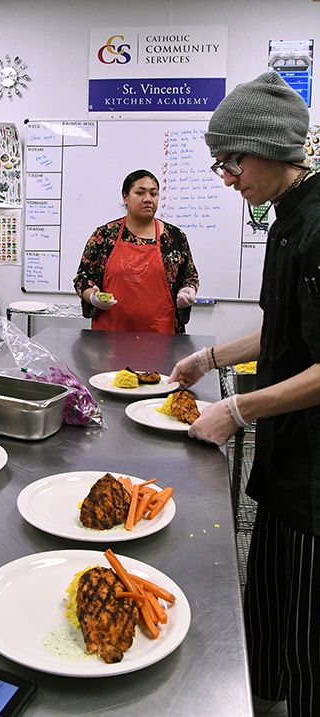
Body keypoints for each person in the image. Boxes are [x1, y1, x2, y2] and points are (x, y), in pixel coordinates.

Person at [168, 73, 320, 716]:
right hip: (284, 459)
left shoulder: (318, 227)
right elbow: (284, 328)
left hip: (315, 475)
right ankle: (262, 699)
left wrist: (236, 409)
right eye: (220, 165)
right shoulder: (286, 221)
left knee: (309, 632)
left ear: (272, 149)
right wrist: (209, 358)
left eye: (232, 162)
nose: (227, 178)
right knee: (268, 606)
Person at [73, 169, 199, 334]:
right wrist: (92, 296)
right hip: (109, 336)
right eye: (140, 193)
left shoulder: (175, 237)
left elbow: (190, 277)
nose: (148, 199)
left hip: (163, 336)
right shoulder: (105, 236)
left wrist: (187, 291)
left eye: (153, 194)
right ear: (125, 197)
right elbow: (83, 278)